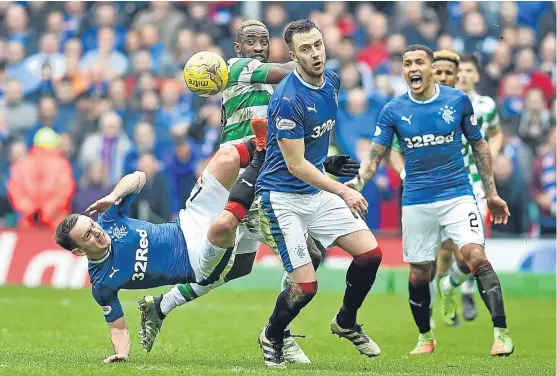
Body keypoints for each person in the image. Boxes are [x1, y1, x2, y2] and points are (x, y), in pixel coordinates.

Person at [138, 20, 359, 363]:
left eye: (264, 42)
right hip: (242, 174)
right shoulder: (237, 68)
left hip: (263, 175)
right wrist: (316, 56)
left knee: (240, 268)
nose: (258, 47)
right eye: (251, 42)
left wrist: (325, 162)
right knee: (310, 254)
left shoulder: (284, 90)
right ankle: (279, 335)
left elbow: (287, 147)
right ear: (238, 48)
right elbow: (289, 70)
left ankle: (161, 306)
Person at [54, 120, 268, 363]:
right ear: (79, 252)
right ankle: (262, 155)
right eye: (88, 236)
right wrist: (122, 353)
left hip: (189, 220)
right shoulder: (102, 283)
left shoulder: (109, 219)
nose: (97, 232)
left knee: (227, 156)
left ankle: (277, 140)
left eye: (92, 225)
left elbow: (139, 177)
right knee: (224, 225)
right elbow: (117, 327)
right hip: (197, 263)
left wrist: (114, 195)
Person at [347, 45, 514, 356]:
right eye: (407, 62)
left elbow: (480, 147)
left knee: (475, 255)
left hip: (457, 194)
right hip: (416, 200)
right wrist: (356, 183)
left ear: (431, 68)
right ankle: (425, 336)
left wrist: (491, 193)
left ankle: (501, 333)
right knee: (420, 272)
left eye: (419, 62)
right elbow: (376, 154)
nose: (413, 67)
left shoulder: (457, 101)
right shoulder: (393, 110)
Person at [256, 19, 382, 368]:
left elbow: (310, 145)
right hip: (282, 198)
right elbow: (294, 165)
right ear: (293, 56)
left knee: (370, 255)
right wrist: (343, 190)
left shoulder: (334, 82)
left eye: (318, 45)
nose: (315, 54)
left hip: (314, 190)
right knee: (306, 288)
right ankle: (271, 334)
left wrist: (327, 162)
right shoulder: (287, 98)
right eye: (306, 49)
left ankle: (345, 321)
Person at [438, 53, 505, 325]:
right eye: (460, 70)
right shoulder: (442, 103)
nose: (463, 75)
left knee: (468, 250)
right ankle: (448, 288)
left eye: (468, 71)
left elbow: (497, 132)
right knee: (446, 250)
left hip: (475, 186)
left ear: (476, 75)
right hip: (445, 184)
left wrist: (492, 155)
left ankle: (457, 287)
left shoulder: (486, 106)